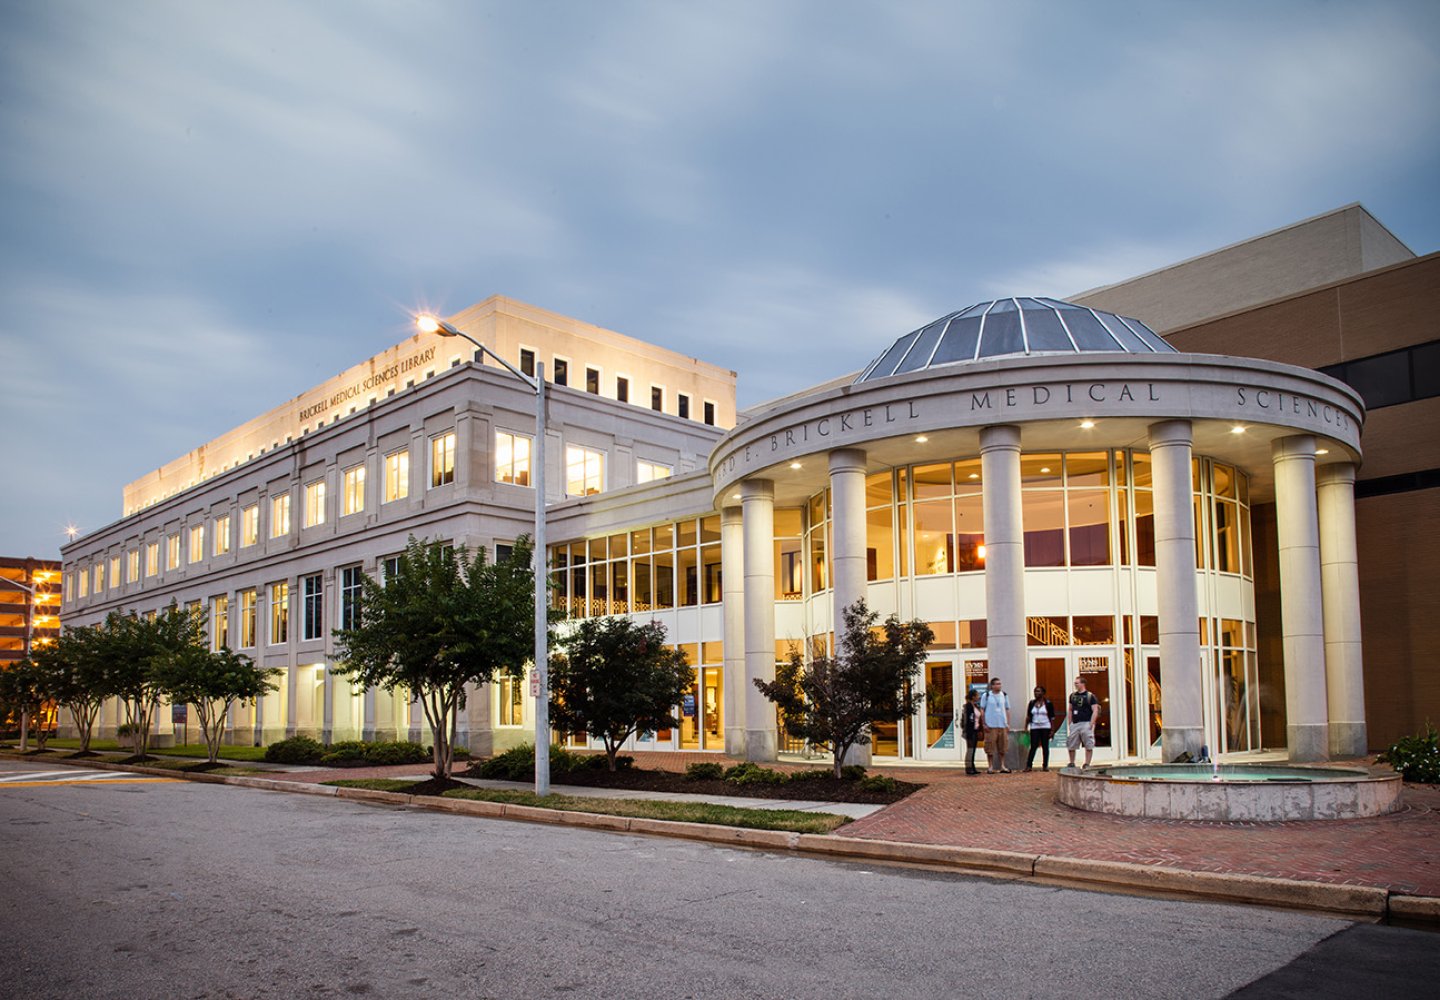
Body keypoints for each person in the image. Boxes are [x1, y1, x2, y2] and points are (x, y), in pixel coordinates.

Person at [1067, 676, 1102, 768]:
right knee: (1071, 743)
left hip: (1086, 722)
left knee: (1088, 744)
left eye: (1077, 683)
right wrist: (1070, 722)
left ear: (1083, 684)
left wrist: (1091, 723)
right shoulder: (1072, 696)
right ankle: (1071, 762)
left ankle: (1087, 763)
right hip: (1075, 723)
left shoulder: (1090, 696)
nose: (1076, 685)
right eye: (1075, 683)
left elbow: (1095, 710)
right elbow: (1070, 709)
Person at [980, 677, 1011, 773]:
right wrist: (984, 723)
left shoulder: (1004, 695)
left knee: (1003, 746)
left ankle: (1002, 766)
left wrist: (1008, 723)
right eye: (997, 684)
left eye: (1000, 684)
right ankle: (990, 766)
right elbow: (982, 709)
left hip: (1002, 725)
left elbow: (1007, 709)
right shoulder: (987, 695)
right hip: (990, 725)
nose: (999, 685)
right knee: (990, 746)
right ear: (992, 686)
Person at [1024, 685, 1056, 772]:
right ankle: (1029, 765)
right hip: (1034, 726)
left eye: (1038, 691)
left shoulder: (1048, 703)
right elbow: (1028, 716)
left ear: (1043, 693)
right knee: (1033, 746)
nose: (1036, 693)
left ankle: (1045, 765)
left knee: (1045, 746)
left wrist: (1052, 730)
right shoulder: (1031, 703)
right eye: (1035, 691)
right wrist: (1026, 727)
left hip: (1045, 726)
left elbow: (1052, 717)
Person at [960, 688, 982, 775]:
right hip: (970, 731)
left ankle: (973, 766)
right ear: (973, 697)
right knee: (970, 749)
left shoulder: (975, 706)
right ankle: (968, 767)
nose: (978, 697)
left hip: (975, 730)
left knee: (973, 749)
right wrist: (967, 731)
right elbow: (968, 720)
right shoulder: (968, 706)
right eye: (977, 695)